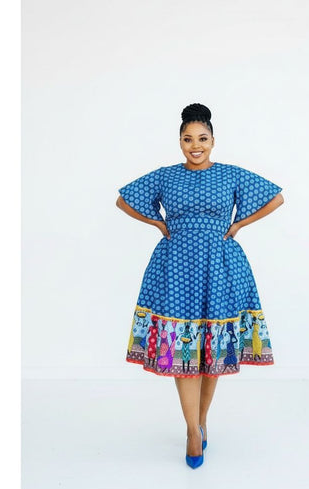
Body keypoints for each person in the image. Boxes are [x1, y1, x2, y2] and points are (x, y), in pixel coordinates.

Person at [116, 103, 284, 468]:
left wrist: (238, 225)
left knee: (211, 347)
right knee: (182, 349)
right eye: (188, 139)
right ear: (179, 141)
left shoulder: (230, 175)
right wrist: (158, 223)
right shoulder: (165, 176)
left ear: (213, 140)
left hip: (220, 265)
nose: (196, 146)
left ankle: (202, 419)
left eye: (202, 139)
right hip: (175, 266)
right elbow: (123, 199)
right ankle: (192, 430)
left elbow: (276, 198)